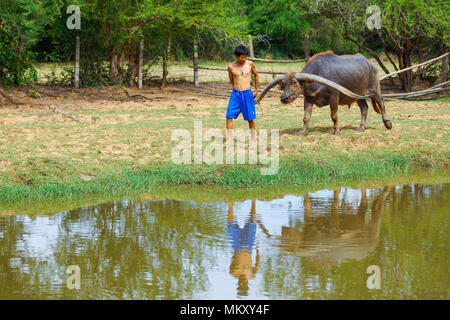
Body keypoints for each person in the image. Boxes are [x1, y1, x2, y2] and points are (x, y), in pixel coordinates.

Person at [226, 45, 259, 144]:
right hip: (236, 94)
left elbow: (256, 75)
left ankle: (253, 139)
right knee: (229, 116)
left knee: (250, 118)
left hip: (247, 94)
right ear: (236, 56)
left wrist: (256, 90)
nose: (244, 59)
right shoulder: (231, 66)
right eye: (242, 57)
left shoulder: (250, 64)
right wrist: (236, 88)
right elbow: (231, 80)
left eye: (245, 56)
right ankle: (230, 139)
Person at [227, 200, 260, 296]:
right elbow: (257, 264)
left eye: (241, 285)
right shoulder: (251, 275)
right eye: (244, 285)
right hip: (249, 245)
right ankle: (253, 201)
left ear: (238, 285)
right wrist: (257, 250)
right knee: (252, 221)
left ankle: (230, 202)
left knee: (230, 224)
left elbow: (232, 262)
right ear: (247, 285)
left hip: (237, 246)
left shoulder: (233, 273)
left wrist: (235, 256)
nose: (242, 283)